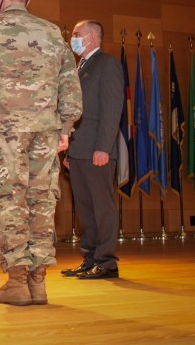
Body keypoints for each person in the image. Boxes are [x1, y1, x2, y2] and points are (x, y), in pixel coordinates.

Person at [0, 0, 82, 306]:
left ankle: (17, 282)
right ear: (27, 0)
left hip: (6, 133)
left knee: (9, 200)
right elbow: (70, 86)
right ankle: (38, 283)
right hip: (46, 133)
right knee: (41, 202)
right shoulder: (51, 32)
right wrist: (65, 129)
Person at [61, 20, 123, 280]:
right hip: (78, 151)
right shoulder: (80, 66)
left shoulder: (107, 64)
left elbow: (112, 109)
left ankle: (107, 262)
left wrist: (103, 148)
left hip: (98, 150)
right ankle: (90, 258)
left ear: (92, 36)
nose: (73, 38)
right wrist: (68, 152)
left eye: (77, 34)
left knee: (102, 207)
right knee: (85, 209)